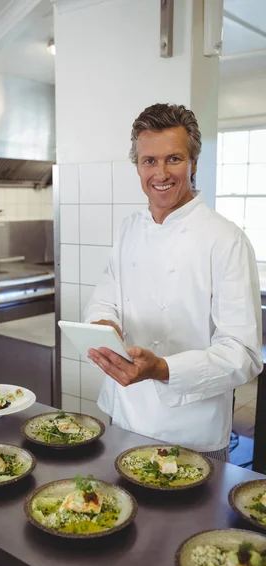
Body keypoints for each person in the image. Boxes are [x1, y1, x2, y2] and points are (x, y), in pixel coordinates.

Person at [85, 103, 263, 461]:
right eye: (149, 161)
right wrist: (102, 325)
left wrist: (162, 368)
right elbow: (107, 297)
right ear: (137, 165)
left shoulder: (226, 239)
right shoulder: (129, 229)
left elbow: (243, 354)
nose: (160, 173)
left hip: (191, 432)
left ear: (194, 162)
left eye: (174, 159)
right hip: (123, 417)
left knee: (191, 519)